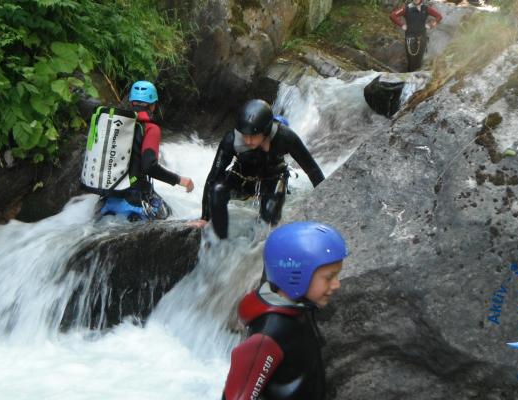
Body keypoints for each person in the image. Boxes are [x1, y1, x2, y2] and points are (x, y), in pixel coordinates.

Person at [221, 221, 348, 400]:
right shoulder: (268, 335)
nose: (337, 284)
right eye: (329, 277)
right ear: (296, 276)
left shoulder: (299, 307)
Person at [189, 99, 323, 239]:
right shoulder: (231, 140)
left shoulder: (285, 137)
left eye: (253, 136)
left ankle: (255, 248)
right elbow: (214, 176)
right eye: (244, 135)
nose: (247, 141)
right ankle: (220, 238)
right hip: (242, 178)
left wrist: (324, 198)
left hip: (273, 180)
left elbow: (312, 169)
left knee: (267, 222)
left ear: (265, 131)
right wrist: (205, 217)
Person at [97, 80, 194, 220]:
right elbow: (149, 166)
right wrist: (179, 180)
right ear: (153, 105)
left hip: (107, 199)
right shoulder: (151, 129)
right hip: (133, 203)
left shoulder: (116, 125)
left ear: (131, 103)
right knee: (170, 215)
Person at [390, 0, 443, 72]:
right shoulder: (406, 8)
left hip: (422, 38)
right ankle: (409, 79)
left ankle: (416, 79)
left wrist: (430, 25)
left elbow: (439, 16)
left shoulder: (426, 8)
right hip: (410, 38)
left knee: (419, 61)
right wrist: (402, 25)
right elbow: (393, 15)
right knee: (412, 62)